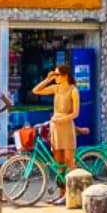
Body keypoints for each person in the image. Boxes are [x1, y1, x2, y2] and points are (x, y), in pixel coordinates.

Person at [33, 64, 80, 204]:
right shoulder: (56, 88)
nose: (56, 77)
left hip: (66, 125)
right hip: (55, 127)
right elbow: (36, 90)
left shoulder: (73, 90)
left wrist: (62, 118)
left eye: (58, 75)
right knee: (58, 162)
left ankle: (73, 192)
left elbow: (76, 113)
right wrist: (48, 79)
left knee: (68, 160)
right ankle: (62, 194)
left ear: (65, 76)